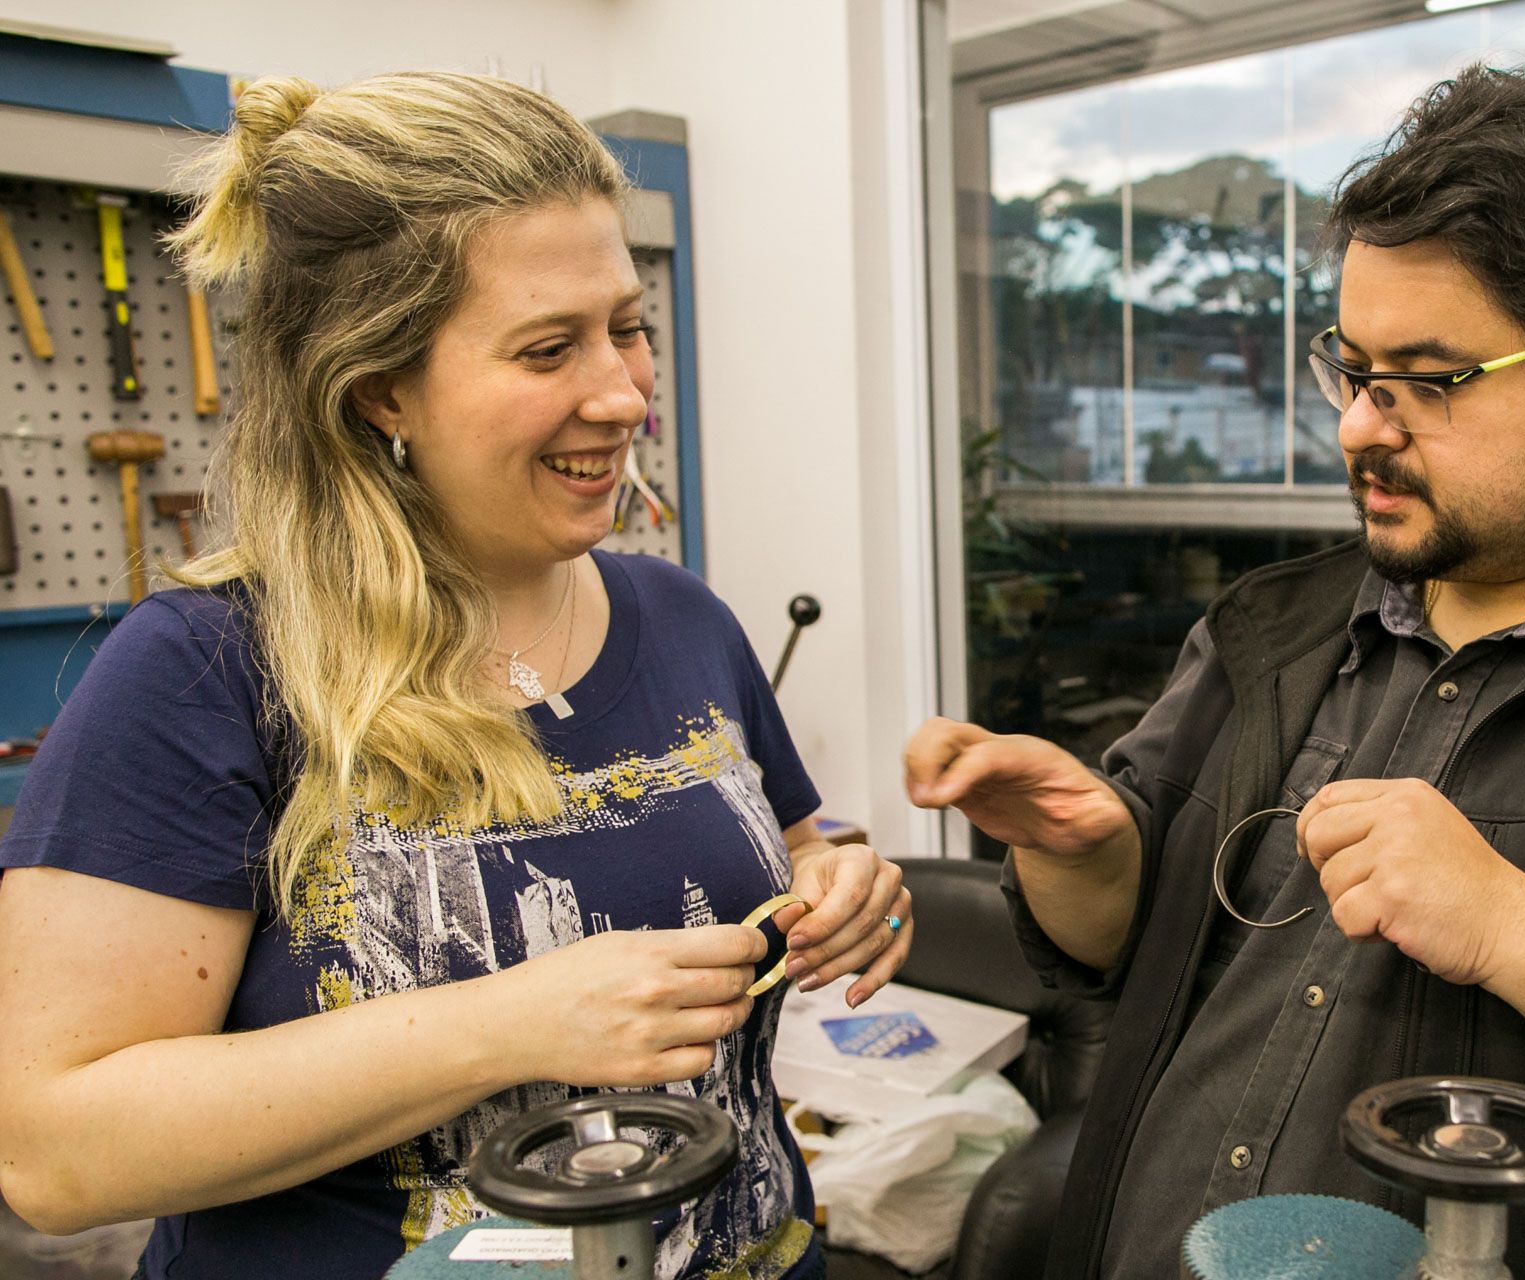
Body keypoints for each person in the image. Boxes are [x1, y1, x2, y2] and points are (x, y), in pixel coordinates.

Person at [907, 64, 1525, 1280]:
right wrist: (1086, 855)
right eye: (1352, 368)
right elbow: (1117, 953)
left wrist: (1519, 926)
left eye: (1429, 383)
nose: (1358, 427)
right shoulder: (1271, 631)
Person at [0, 72, 912, 1280]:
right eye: (549, 348)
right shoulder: (204, 672)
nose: (624, 392)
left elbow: (794, 848)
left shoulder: (683, 615)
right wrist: (508, 1024)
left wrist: (843, 881)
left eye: (627, 325)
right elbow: (56, 1151)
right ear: (380, 387)